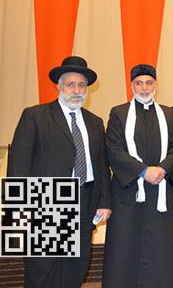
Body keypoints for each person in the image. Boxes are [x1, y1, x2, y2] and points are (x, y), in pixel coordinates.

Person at [7, 56, 112, 288]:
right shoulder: (35, 115)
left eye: (81, 85)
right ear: (59, 86)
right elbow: (19, 164)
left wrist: (104, 201)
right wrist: (19, 207)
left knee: (76, 267)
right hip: (46, 199)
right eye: (71, 84)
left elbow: (101, 166)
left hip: (85, 200)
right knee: (42, 270)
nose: (77, 90)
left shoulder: (95, 122)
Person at [102, 64, 173, 288]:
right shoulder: (119, 113)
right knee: (124, 246)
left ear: (155, 85)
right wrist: (143, 170)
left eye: (149, 83)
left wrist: (163, 169)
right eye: (139, 83)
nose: (144, 88)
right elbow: (113, 149)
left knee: (157, 247)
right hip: (128, 193)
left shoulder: (168, 114)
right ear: (132, 86)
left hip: (159, 192)